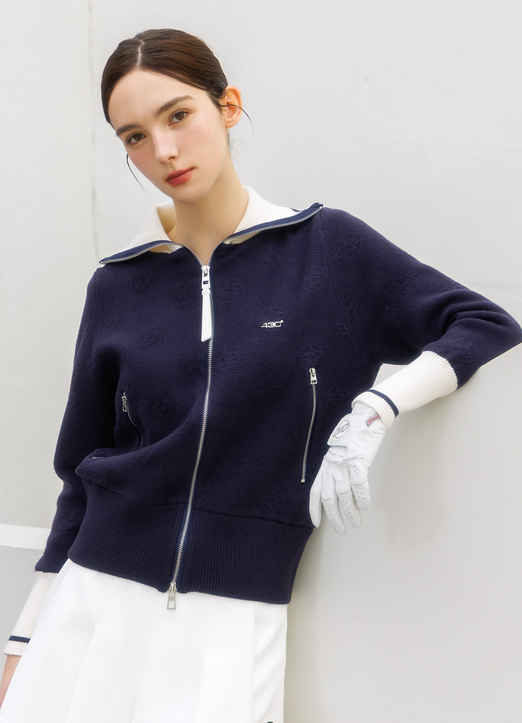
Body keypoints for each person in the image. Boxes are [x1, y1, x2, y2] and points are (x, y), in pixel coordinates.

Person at [0, 27, 520, 723]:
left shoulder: (327, 249)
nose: (164, 151)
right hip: (90, 604)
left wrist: (377, 407)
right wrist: (24, 639)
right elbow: (79, 473)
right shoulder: (119, 282)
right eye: (135, 137)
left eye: (178, 115)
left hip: (232, 618)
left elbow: (483, 321)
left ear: (228, 106)